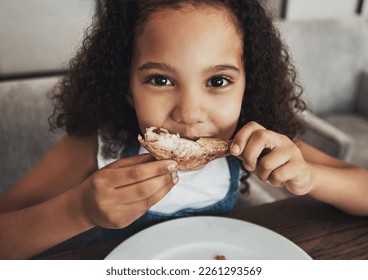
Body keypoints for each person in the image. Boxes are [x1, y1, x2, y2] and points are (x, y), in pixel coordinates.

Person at [1, 0, 368, 260]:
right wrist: (79, 210)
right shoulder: (98, 146)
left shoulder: (250, 142)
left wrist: (309, 178)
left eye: (219, 80)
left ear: (248, 88)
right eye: (160, 79)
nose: (190, 114)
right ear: (127, 87)